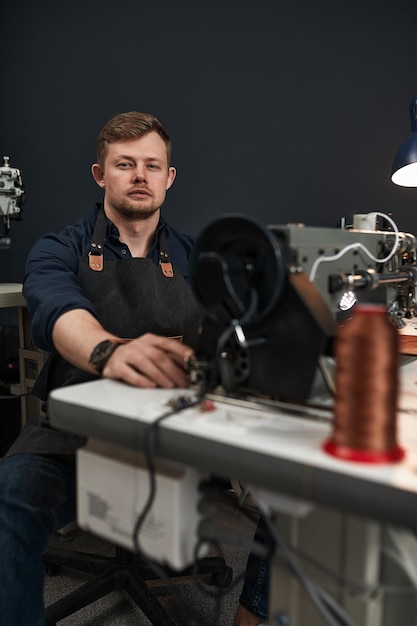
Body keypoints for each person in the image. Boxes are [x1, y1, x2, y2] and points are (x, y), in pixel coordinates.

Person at [0, 110, 269, 625]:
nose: (140, 175)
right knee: (11, 495)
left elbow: (246, 325)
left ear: (169, 177)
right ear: (101, 174)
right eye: (125, 164)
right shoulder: (60, 248)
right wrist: (109, 351)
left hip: (182, 444)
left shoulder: (200, 258)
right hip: (73, 443)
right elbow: (56, 308)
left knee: (300, 482)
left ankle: (252, 616)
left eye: (152, 165)